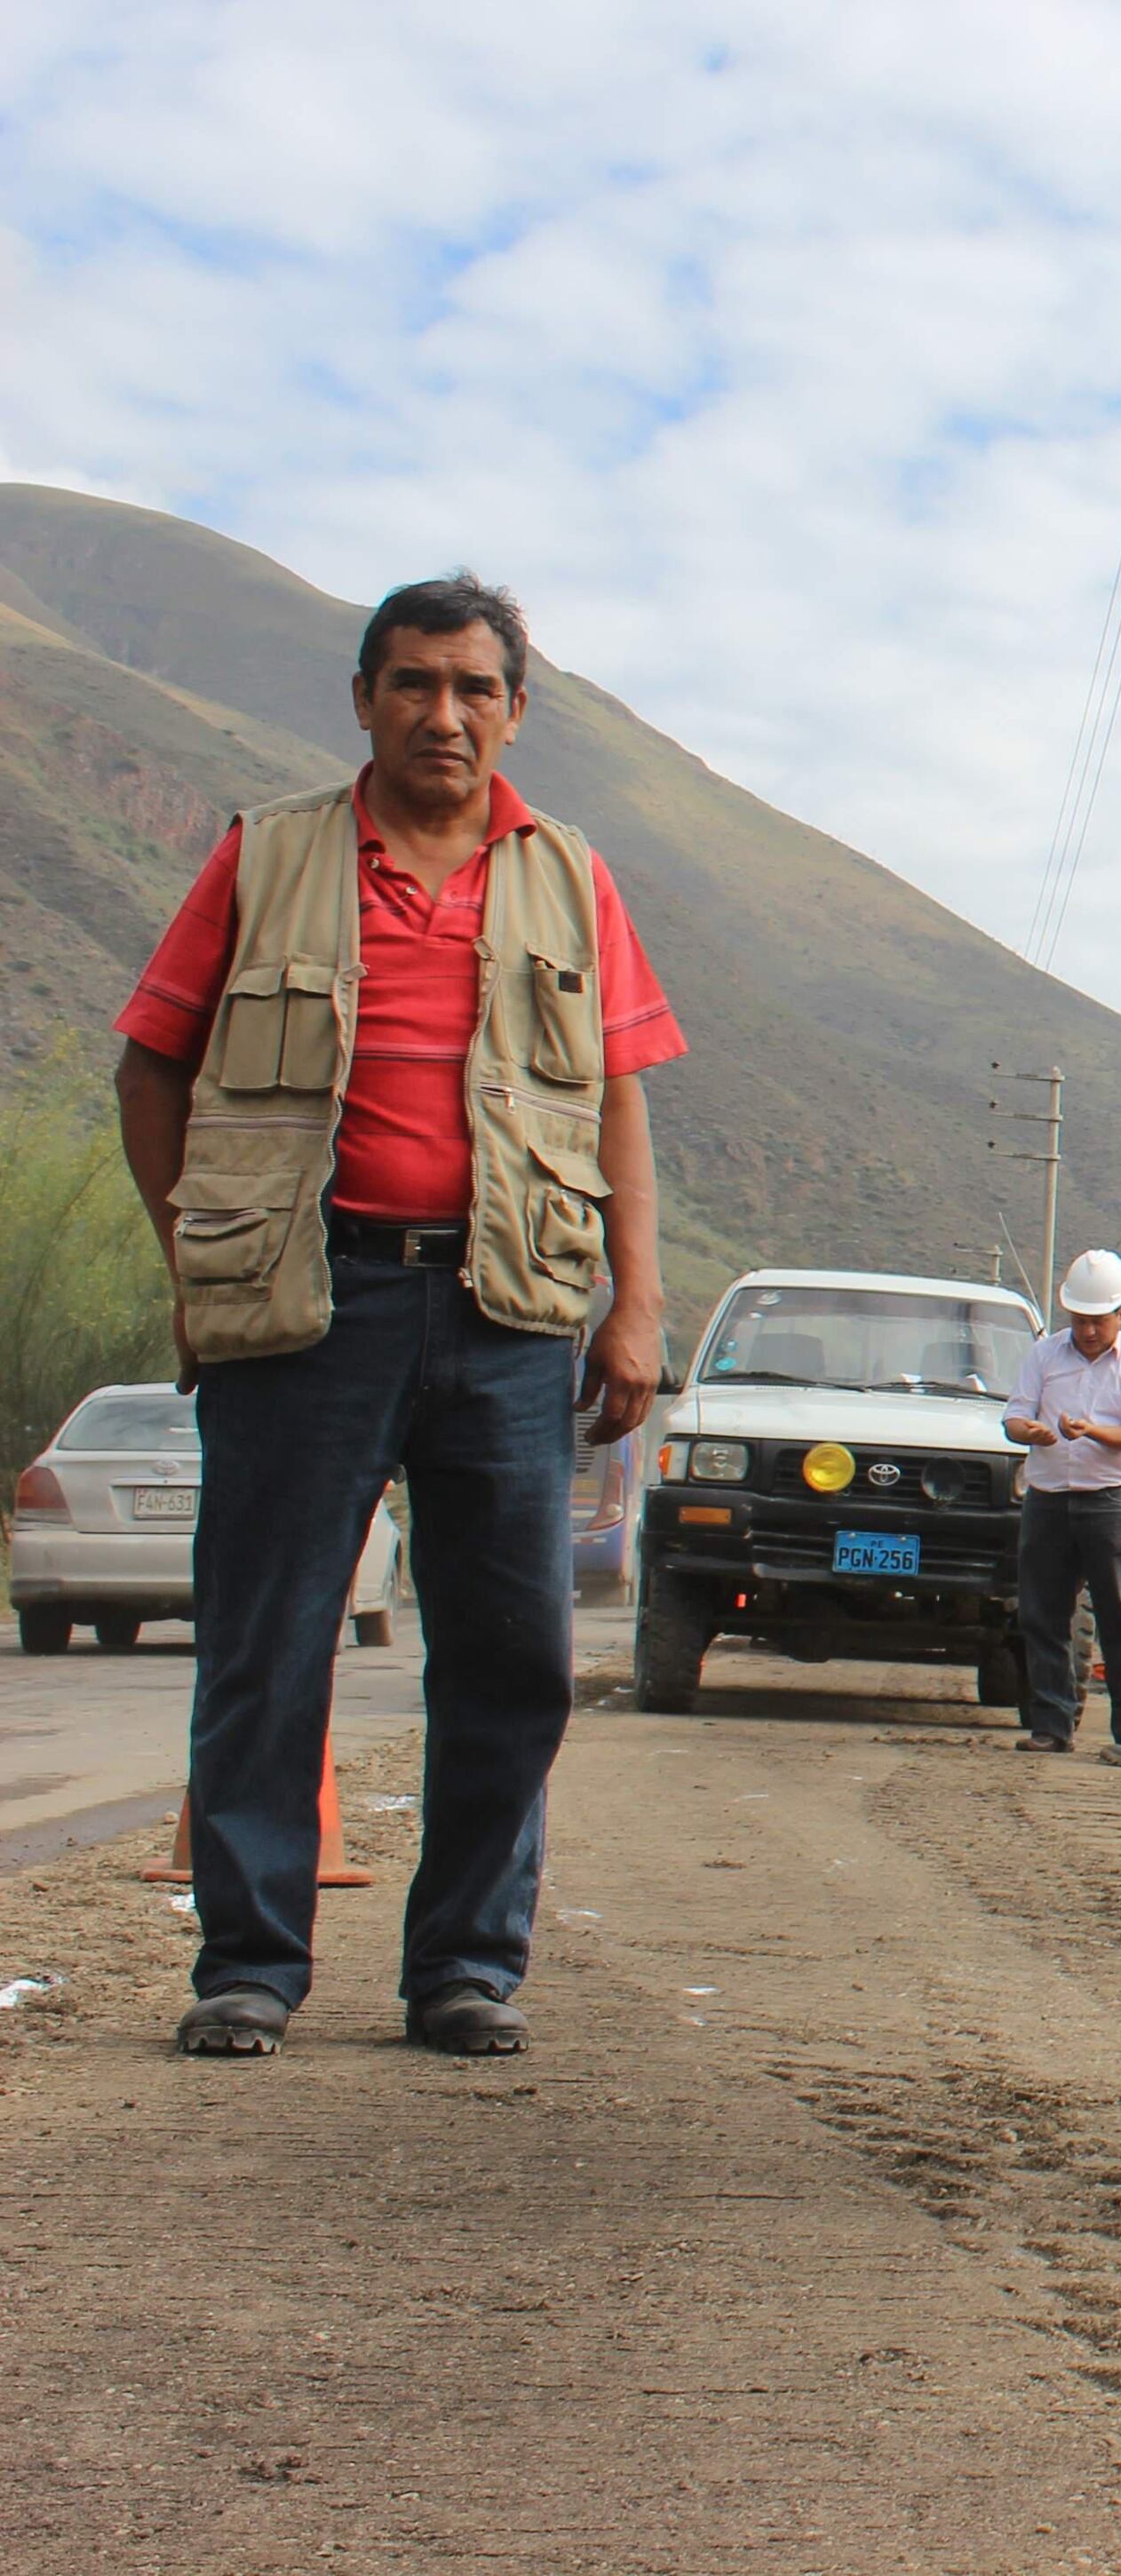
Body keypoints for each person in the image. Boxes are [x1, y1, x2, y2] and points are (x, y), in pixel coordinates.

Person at [112, 571, 683, 2060]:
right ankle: (248, 1965)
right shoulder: (267, 854)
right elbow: (153, 1061)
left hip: (510, 1312)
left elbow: (619, 1098)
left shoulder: (572, 876)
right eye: (414, 683)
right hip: (309, 1303)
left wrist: (636, 1307)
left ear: (515, 710)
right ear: (363, 699)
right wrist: (195, 1266)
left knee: (513, 1656)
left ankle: (465, 1969)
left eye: (474, 687)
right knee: (266, 1642)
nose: (444, 713)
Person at [1006, 1249, 1121, 1761]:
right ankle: (1052, 1724)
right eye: (1079, 1320)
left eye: (1098, 1321)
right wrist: (1030, 1432)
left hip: (1110, 1500)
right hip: (1049, 1498)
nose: (1089, 1331)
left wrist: (1092, 1431)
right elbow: (1014, 1417)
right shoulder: (1044, 1355)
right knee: (1043, 1614)